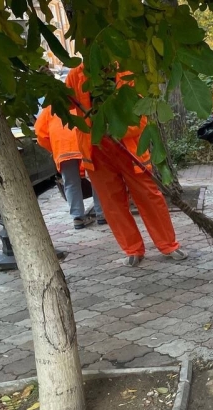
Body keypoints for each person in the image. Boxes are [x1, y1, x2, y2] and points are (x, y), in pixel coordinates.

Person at [65, 64, 187, 267]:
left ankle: (168, 245)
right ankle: (132, 249)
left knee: (149, 197)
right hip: (95, 149)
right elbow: (69, 104)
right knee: (112, 203)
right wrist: (55, 90)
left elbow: (142, 114)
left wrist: (118, 129)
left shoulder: (129, 72)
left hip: (129, 148)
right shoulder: (76, 75)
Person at [35, 104, 105, 230]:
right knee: (96, 178)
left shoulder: (50, 108)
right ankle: (102, 214)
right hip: (85, 145)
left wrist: (54, 149)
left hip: (63, 148)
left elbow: (40, 134)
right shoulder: (82, 102)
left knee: (71, 183)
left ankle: (78, 217)